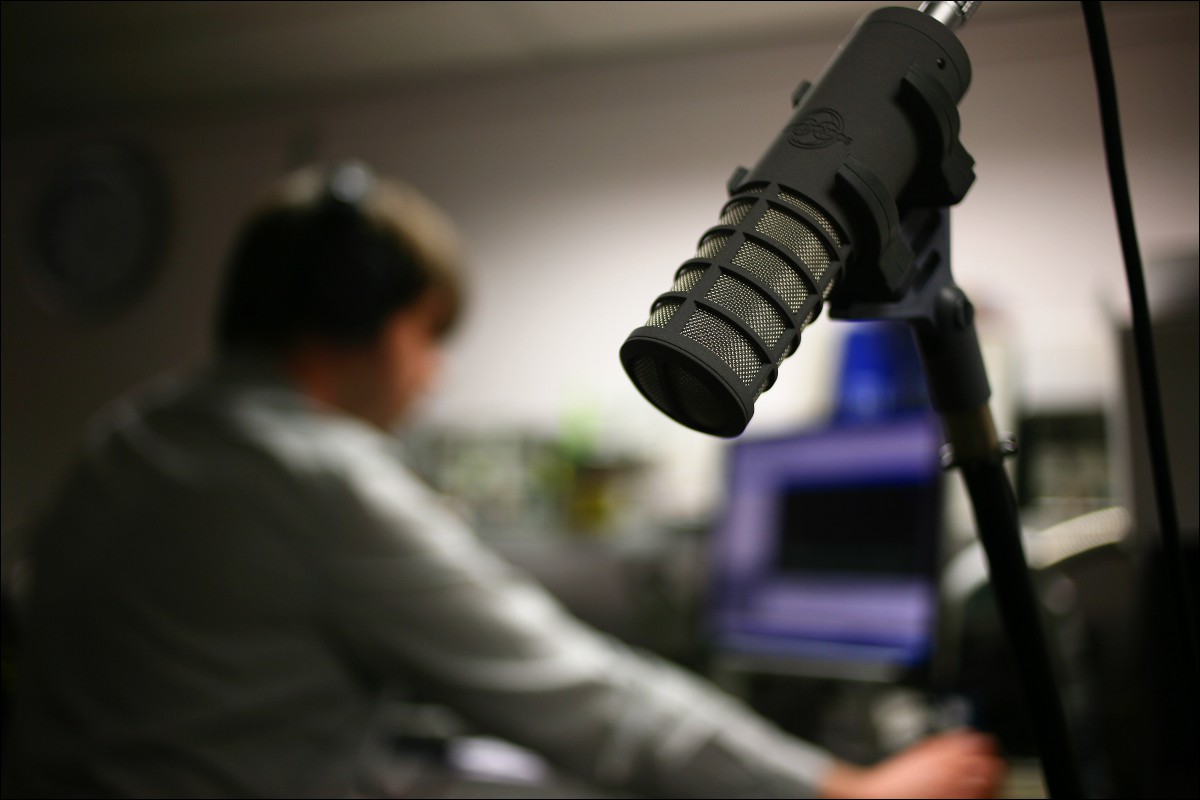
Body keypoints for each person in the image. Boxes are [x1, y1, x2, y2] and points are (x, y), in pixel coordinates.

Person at [1, 163, 1005, 799]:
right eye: (427, 336)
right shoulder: (314, 474)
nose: (432, 372)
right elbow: (581, 698)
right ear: (362, 314)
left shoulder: (124, 437)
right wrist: (836, 787)